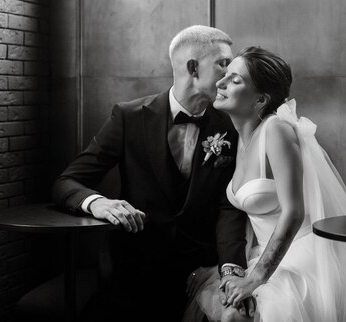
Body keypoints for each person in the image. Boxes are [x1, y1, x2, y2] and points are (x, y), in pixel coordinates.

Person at [184, 46, 346, 322]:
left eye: (235, 80)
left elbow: (293, 212)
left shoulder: (275, 130)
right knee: (223, 304)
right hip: (263, 251)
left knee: (237, 317)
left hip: (303, 255)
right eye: (225, 75)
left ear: (260, 99)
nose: (220, 82)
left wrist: (256, 278)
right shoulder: (237, 136)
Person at [51, 26, 254, 321]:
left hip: (201, 270)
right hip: (133, 269)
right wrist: (98, 203)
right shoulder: (129, 116)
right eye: (223, 63)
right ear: (193, 68)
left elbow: (229, 206)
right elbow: (65, 182)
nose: (229, 74)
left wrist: (231, 268)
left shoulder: (231, 125)